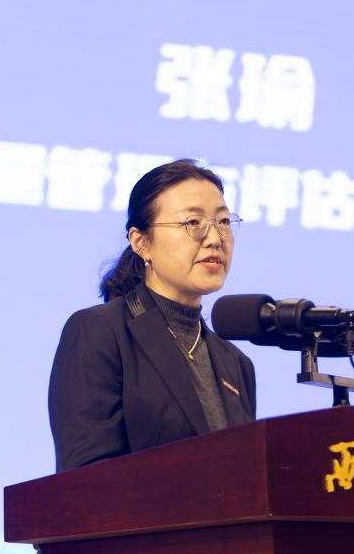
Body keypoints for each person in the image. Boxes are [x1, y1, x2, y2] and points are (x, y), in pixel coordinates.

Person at [48, 159, 257, 472]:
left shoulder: (236, 364)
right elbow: (86, 476)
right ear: (141, 242)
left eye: (224, 222)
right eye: (193, 223)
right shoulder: (99, 332)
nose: (215, 238)